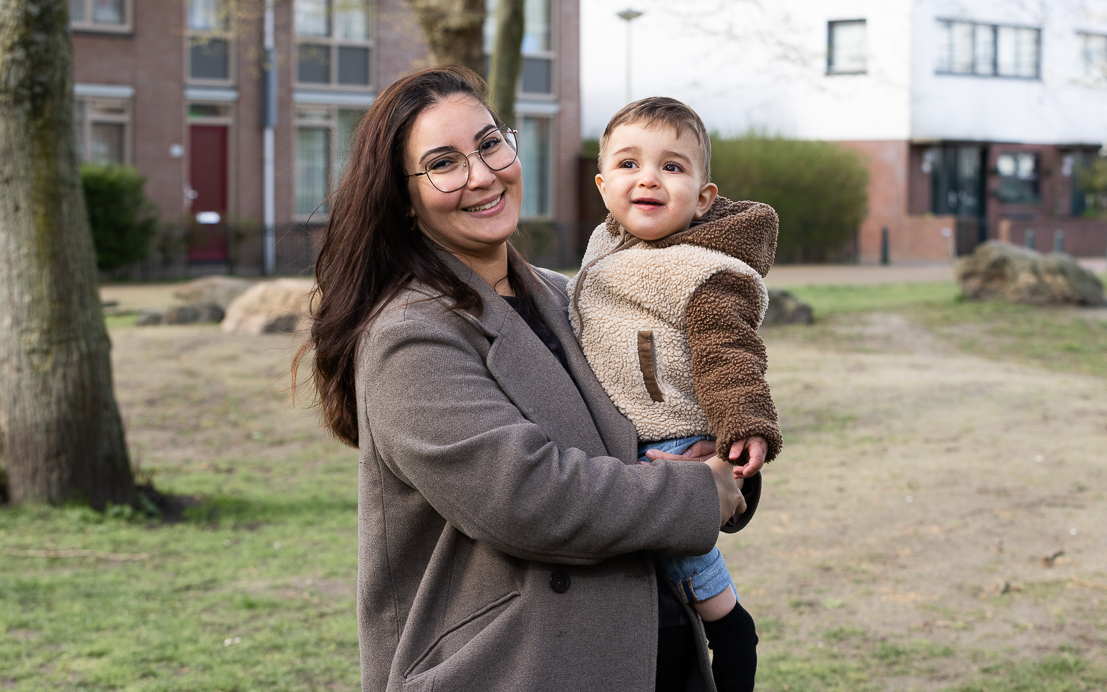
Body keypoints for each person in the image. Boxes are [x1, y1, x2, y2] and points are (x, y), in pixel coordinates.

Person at [297, 65, 760, 692]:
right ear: (403, 201)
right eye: (443, 162)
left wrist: (730, 459)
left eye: (490, 143)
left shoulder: (569, 297)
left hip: (652, 658)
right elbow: (528, 499)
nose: (483, 174)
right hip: (514, 668)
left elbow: (660, 423)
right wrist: (699, 494)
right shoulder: (408, 335)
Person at [567, 97, 783, 692]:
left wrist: (744, 425)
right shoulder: (605, 249)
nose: (649, 179)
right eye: (630, 164)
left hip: (673, 438)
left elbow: (730, 355)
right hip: (628, 433)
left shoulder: (704, 272)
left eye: (672, 167)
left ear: (704, 197)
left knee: (692, 578)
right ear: (604, 183)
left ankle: (732, 630)